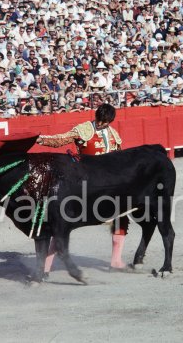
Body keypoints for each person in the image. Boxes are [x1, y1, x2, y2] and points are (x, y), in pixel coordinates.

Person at [36, 103, 130, 272]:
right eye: (99, 120)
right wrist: (41, 139)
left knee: (121, 217)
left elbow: (120, 161)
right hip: (85, 183)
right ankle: (45, 267)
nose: (101, 124)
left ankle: (116, 260)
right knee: (61, 222)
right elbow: (61, 139)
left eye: (105, 122)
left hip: (108, 185)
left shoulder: (114, 135)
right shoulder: (84, 129)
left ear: (110, 121)